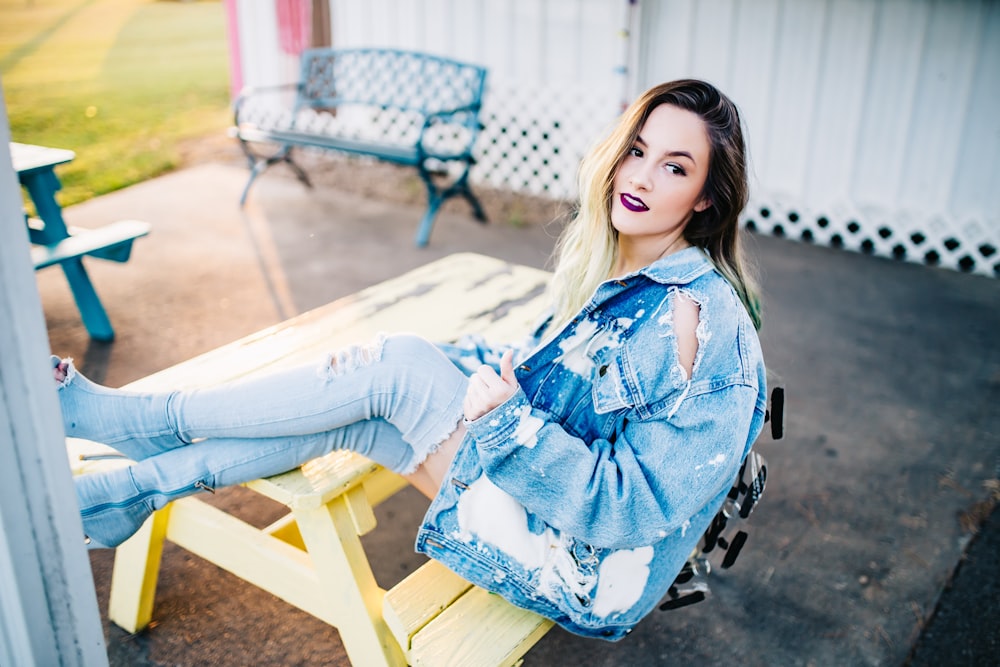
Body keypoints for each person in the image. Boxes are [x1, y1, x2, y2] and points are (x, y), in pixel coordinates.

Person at [54, 79, 767, 640]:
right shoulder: (629, 273)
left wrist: (512, 422)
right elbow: (543, 373)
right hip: (550, 513)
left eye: (674, 166)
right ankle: (140, 487)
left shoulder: (698, 324)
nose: (638, 175)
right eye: (637, 148)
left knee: (396, 370)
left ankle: (149, 423)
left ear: (705, 197)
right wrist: (487, 383)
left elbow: (629, 508)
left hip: (585, 567)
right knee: (373, 409)